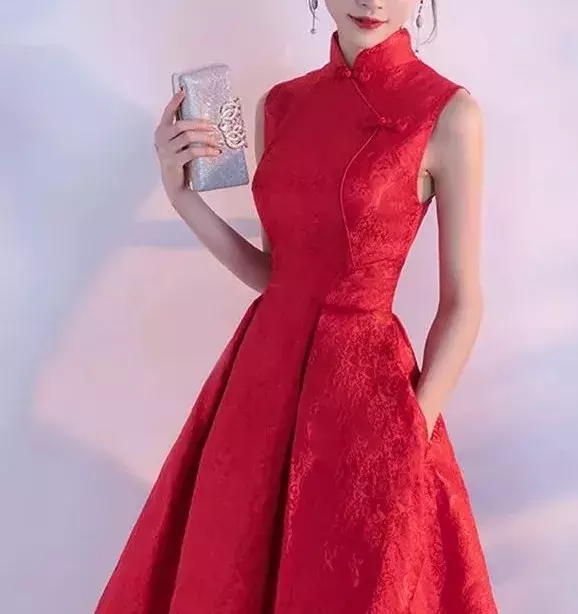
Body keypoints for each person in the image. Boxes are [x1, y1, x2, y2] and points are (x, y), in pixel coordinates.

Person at [96, 0, 499, 612]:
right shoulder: (280, 106)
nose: (372, 1)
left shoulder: (448, 112)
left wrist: (412, 428)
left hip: (364, 396)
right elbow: (275, 274)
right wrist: (183, 199)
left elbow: (463, 302)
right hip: (259, 382)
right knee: (232, 571)